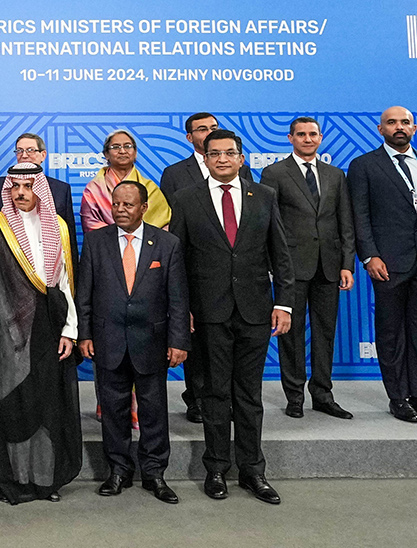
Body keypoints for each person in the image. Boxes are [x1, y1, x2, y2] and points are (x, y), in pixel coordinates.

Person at [169, 129, 294, 505]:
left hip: (256, 311)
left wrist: (284, 304)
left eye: (229, 153)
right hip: (209, 313)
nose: (222, 159)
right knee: (214, 393)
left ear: (241, 159)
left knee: (249, 394)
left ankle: (253, 470)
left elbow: (280, 253)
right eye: (215, 153)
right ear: (205, 158)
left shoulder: (264, 196)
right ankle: (216, 468)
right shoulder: (186, 198)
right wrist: (182, 310)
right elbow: (178, 261)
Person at [0, 163, 80, 504]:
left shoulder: (58, 226)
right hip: (5, 336)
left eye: (28, 186)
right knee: (12, 403)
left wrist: (70, 330)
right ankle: (13, 478)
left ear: (40, 189)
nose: (20, 192)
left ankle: (44, 479)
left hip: (49, 329)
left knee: (46, 404)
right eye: (15, 186)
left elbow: (65, 284)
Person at [75, 181, 190, 505]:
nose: (121, 210)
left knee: (154, 411)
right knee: (113, 410)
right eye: (116, 204)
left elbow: (178, 298)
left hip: (152, 341)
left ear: (143, 208)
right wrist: (85, 334)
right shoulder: (96, 242)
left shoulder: (167, 243)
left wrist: (178, 340)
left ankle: (154, 473)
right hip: (107, 340)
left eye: (128, 204)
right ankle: (118, 471)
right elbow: (84, 294)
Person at [347, 106, 417, 424]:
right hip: (388, 263)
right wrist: (369, 256)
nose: (399, 127)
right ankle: (398, 398)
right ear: (380, 129)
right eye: (392, 122)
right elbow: (359, 216)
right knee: (391, 332)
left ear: (414, 128)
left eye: (405, 122)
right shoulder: (363, 165)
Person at [158, 113, 255, 424]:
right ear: (190, 138)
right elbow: (174, 234)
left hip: (239, 283)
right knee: (198, 348)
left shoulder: (243, 172)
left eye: (213, 127)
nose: (209, 132)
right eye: (202, 129)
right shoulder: (174, 174)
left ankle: (229, 402)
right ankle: (196, 399)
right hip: (199, 277)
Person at [259, 117, 356, 420]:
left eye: (312, 134)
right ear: (290, 138)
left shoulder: (335, 174)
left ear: (320, 137)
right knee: (291, 335)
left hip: (329, 267)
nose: (307, 139)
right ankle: (295, 396)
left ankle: (323, 395)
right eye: (301, 134)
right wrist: (274, 266)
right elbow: (267, 223)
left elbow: (345, 222)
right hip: (291, 268)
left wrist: (347, 264)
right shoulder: (274, 173)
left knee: (325, 333)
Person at [80, 130, 171, 231]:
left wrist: (137, 237)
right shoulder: (94, 189)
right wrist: (120, 236)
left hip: (147, 240)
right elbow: (90, 223)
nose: (122, 151)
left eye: (127, 146)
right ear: (106, 154)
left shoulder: (150, 188)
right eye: (115, 147)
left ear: (135, 153)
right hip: (106, 240)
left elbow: (164, 225)